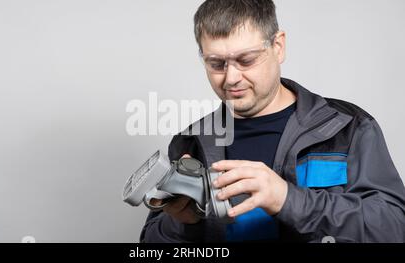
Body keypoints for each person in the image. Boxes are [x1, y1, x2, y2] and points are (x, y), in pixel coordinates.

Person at [139, 0, 405, 242]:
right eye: (216, 63)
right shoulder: (191, 142)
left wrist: (287, 199)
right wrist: (183, 223)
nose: (231, 78)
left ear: (278, 46)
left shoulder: (347, 126)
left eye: (246, 60)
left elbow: (394, 228)